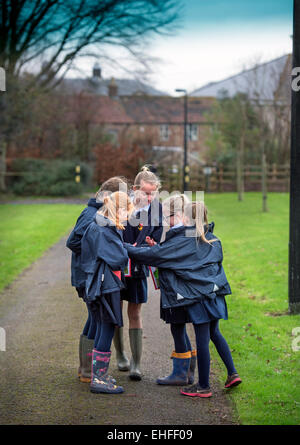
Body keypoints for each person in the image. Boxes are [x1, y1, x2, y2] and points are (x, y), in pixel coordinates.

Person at [125, 195, 242, 398]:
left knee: (203, 340)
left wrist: (123, 247)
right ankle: (232, 373)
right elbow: (182, 257)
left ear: (182, 217)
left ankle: (203, 386)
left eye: (168, 217)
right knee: (215, 333)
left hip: (198, 297)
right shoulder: (210, 237)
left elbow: (156, 257)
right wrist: (160, 250)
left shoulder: (183, 240)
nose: (166, 223)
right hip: (214, 294)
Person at [66, 176, 128, 383]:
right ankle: (89, 371)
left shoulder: (98, 214)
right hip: (88, 276)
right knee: (97, 319)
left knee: (94, 319)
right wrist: (94, 255)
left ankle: (87, 370)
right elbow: (73, 241)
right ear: (107, 196)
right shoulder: (91, 214)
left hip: (92, 274)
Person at [113, 166, 163, 380]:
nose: (149, 197)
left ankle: (136, 363)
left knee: (135, 313)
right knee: (116, 312)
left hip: (139, 268)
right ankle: (120, 355)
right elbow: (111, 232)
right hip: (118, 267)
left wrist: (151, 245)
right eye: (145, 192)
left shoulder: (157, 210)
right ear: (134, 189)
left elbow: (157, 240)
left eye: (153, 193)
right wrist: (127, 246)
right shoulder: (123, 206)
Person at [80, 191, 134, 394]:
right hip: (105, 284)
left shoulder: (98, 224)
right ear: (118, 209)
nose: (128, 217)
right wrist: (126, 249)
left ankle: (99, 375)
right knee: (108, 325)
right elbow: (118, 258)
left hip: (99, 282)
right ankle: (99, 379)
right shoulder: (104, 229)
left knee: (105, 325)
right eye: (127, 212)